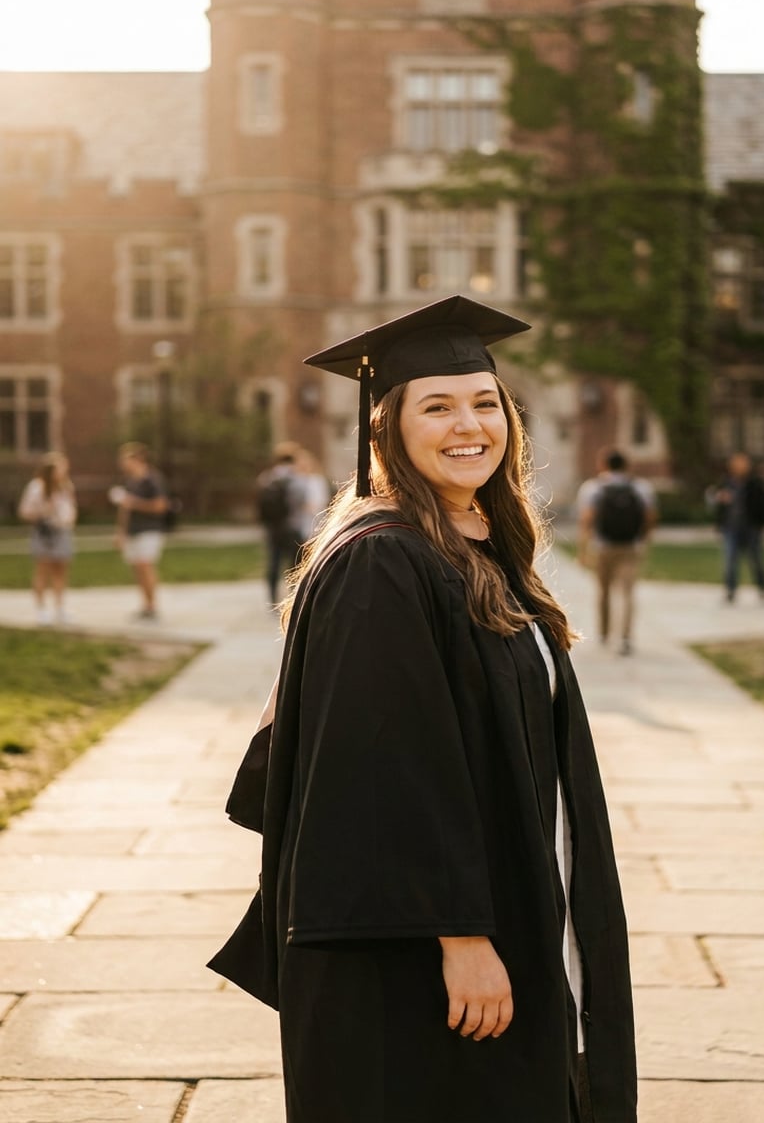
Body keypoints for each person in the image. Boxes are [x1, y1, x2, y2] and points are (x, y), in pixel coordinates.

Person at [210, 295, 637, 1123]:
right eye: (436, 407)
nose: (468, 425)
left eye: (484, 403)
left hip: (508, 896)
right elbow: (382, 767)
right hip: (429, 943)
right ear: (387, 433)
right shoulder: (382, 562)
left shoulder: (471, 545)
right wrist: (463, 938)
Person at [576, 449, 656, 655]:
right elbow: (650, 517)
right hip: (630, 546)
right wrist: (644, 540)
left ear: (603, 465)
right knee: (627, 593)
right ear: (626, 465)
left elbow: (586, 519)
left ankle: (604, 633)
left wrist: (583, 549)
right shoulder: (641, 487)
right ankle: (625, 637)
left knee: (603, 591)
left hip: (602, 547)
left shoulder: (593, 488)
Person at [17, 451, 78, 625]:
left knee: (60, 571)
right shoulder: (36, 487)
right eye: (60, 468)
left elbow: (72, 508)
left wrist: (70, 519)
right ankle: (41, 609)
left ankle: (60, 608)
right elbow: (24, 512)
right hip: (44, 532)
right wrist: (43, 513)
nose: (63, 471)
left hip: (62, 531)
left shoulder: (66, 486)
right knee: (42, 570)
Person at [110, 442, 169, 621]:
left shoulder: (152, 479)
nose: (123, 464)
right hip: (132, 531)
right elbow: (124, 508)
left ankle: (153, 606)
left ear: (138, 459)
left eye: (126, 460)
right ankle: (145, 605)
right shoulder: (129, 481)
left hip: (149, 530)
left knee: (146, 565)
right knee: (137, 568)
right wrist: (120, 532)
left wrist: (134, 503)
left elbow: (161, 506)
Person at [709, 452, 764, 603]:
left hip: (751, 527)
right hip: (731, 527)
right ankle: (730, 590)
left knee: (756, 560)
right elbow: (717, 504)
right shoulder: (726, 483)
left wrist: (762, 522)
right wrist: (720, 512)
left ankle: (762, 586)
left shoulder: (754, 484)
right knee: (730, 560)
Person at [256, 442, 312, 605]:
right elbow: (301, 502)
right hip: (292, 526)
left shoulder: (267, 477)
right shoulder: (297, 479)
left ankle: (272, 597)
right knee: (294, 564)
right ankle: (293, 596)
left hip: (273, 527)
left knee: (274, 562)